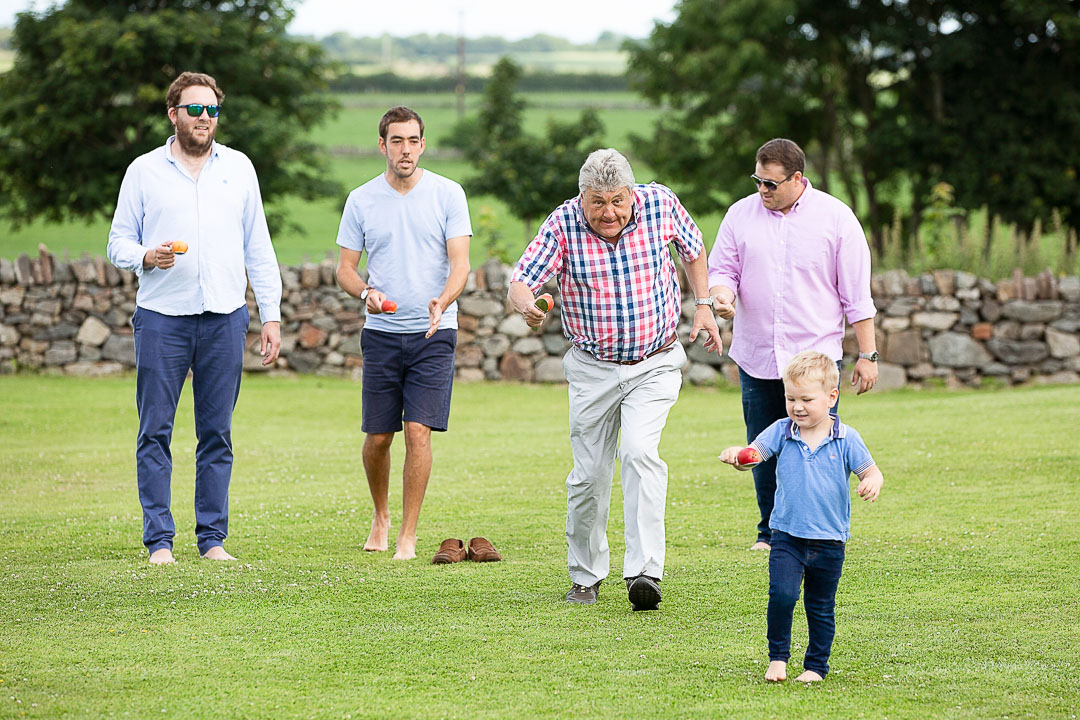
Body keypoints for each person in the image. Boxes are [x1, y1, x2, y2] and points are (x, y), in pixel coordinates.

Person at [508, 148, 722, 611]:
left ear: (632, 194)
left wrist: (702, 303)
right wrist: (526, 303)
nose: (608, 213)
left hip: (655, 360)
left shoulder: (661, 203)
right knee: (588, 477)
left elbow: (694, 247)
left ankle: (645, 571)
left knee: (641, 452)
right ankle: (585, 577)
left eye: (617, 201)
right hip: (593, 368)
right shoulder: (563, 222)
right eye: (597, 202)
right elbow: (521, 278)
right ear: (582, 198)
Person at [106, 71, 282, 565]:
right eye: (195, 109)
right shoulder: (143, 170)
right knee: (154, 430)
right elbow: (117, 242)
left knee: (217, 432)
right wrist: (146, 256)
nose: (205, 118)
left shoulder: (240, 168)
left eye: (212, 111)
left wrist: (272, 315)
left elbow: (259, 248)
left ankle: (212, 540)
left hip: (226, 316)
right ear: (174, 114)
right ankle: (160, 540)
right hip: (162, 317)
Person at [707, 138, 879, 551]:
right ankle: (770, 533)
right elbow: (722, 269)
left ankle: (822, 532)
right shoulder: (739, 215)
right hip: (757, 354)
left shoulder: (836, 218)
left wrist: (868, 355)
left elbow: (856, 295)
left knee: (817, 451)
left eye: (771, 184)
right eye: (758, 181)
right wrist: (722, 296)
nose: (762, 191)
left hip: (815, 361)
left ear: (798, 178)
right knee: (762, 447)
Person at [335, 106, 472, 561]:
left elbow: (461, 265)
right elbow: (345, 270)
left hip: (434, 333)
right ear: (382, 146)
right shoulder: (361, 200)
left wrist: (444, 299)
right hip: (381, 334)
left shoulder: (448, 194)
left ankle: (407, 535)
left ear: (423, 144)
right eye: (397, 141)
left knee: (418, 431)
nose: (406, 149)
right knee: (378, 438)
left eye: (413, 141)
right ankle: (381, 515)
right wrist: (366, 293)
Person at [719, 350, 884, 682]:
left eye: (806, 399)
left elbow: (872, 472)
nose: (797, 406)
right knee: (782, 595)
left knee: (820, 606)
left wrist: (870, 482)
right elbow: (755, 453)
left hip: (829, 540)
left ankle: (815, 667)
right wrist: (739, 455)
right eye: (790, 398)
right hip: (786, 536)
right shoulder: (782, 431)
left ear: (831, 397)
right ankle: (777, 659)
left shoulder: (847, 439)